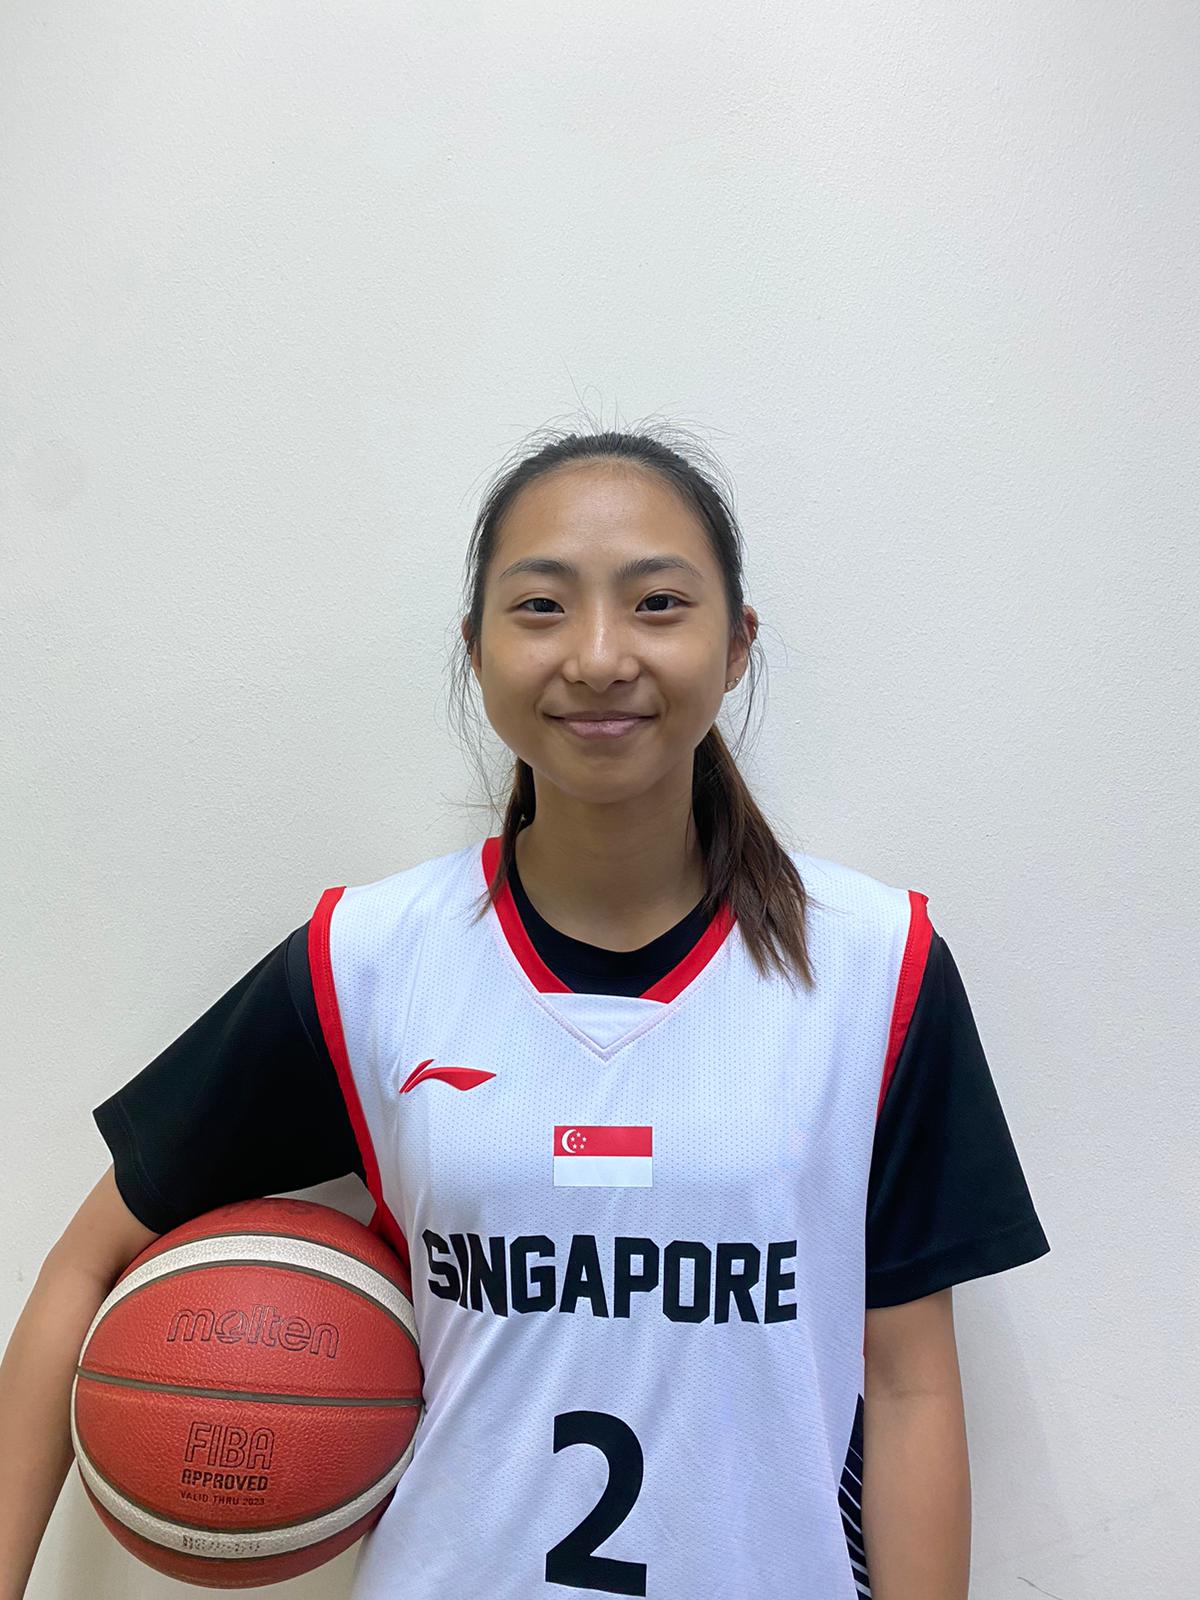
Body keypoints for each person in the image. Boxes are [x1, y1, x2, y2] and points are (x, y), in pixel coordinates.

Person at [0, 423, 1050, 1600]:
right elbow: (86, 1262)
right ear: (477, 647)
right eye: (542, 606)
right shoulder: (370, 959)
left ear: (737, 645)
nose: (599, 657)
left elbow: (909, 1383)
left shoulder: (875, 964)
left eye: (657, 604)